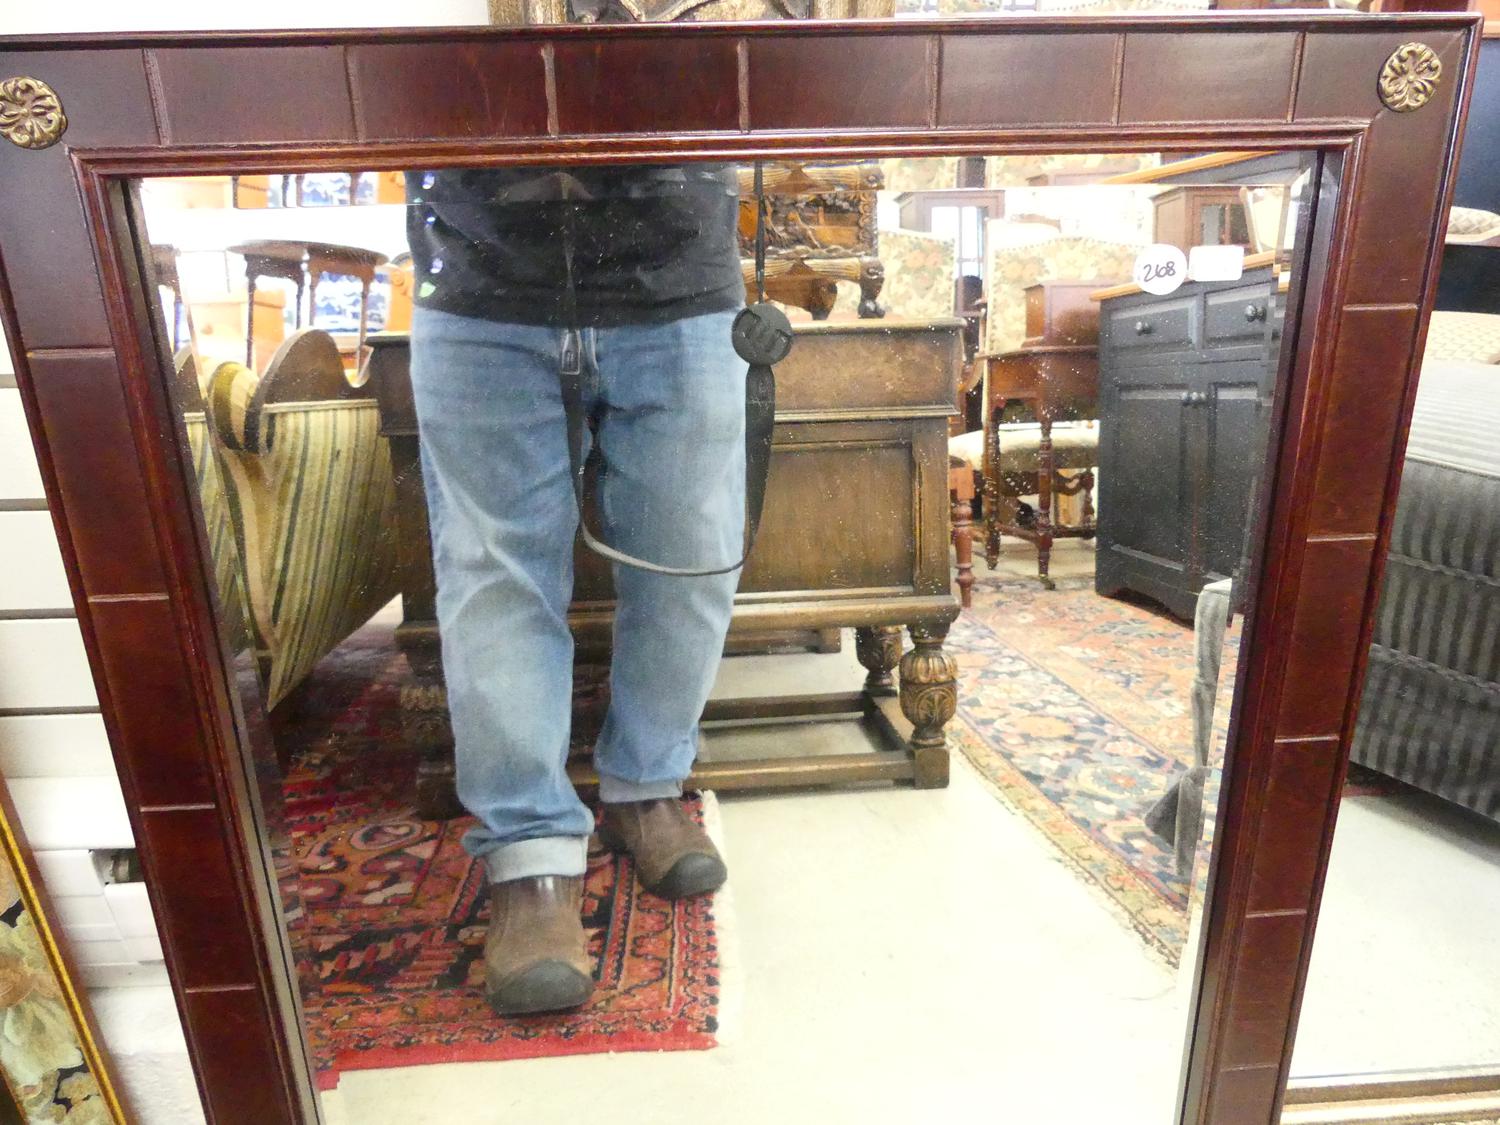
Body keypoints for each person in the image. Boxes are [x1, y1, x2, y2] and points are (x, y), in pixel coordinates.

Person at [405, 164, 746, 1016]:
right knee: (495, 581)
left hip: (682, 271)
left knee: (691, 561)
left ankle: (648, 782)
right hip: (481, 273)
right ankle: (530, 854)